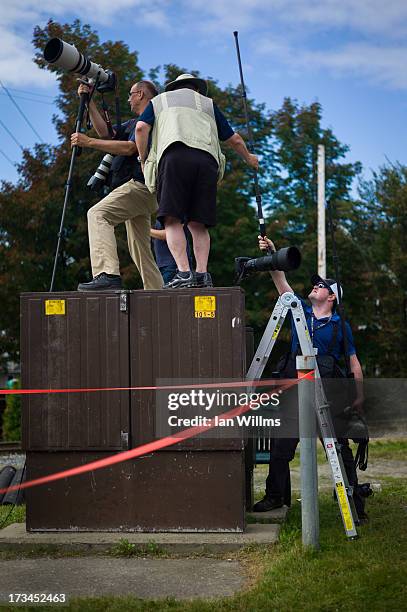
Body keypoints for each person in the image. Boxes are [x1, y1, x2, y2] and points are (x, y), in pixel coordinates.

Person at [253, 235, 368, 521]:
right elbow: (281, 284)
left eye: (322, 286)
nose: (315, 286)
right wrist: (272, 255)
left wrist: (359, 395)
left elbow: (353, 360)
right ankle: (275, 496)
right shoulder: (298, 312)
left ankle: (354, 503)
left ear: (332, 298)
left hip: (328, 396)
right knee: (281, 449)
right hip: (295, 393)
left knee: (340, 450)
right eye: (316, 284)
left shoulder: (341, 326)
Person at [135, 73, 259, 289]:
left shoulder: (160, 101)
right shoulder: (208, 105)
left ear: (174, 88)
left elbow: (140, 128)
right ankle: (202, 275)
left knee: (172, 219)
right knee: (198, 224)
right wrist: (250, 159)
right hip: (207, 162)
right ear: (197, 90)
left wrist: (143, 159)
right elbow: (235, 139)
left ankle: (183, 273)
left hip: (175, 155)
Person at [71, 80, 163, 291]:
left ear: (140, 94)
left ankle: (107, 274)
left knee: (98, 214)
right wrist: (88, 101)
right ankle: (157, 292)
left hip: (140, 184)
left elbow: (130, 148)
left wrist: (89, 142)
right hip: (148, 190)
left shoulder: (150, 121)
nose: (129, 99)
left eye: (131, 94)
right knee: (140, 248)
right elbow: (106, 133)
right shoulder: (134, 123)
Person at [150, 220, 193, 285]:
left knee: (170, 294)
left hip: (173, 266)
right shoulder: (163, 216)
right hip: (164, 266)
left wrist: (146, 230)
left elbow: (170, 234)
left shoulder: (177, 213)